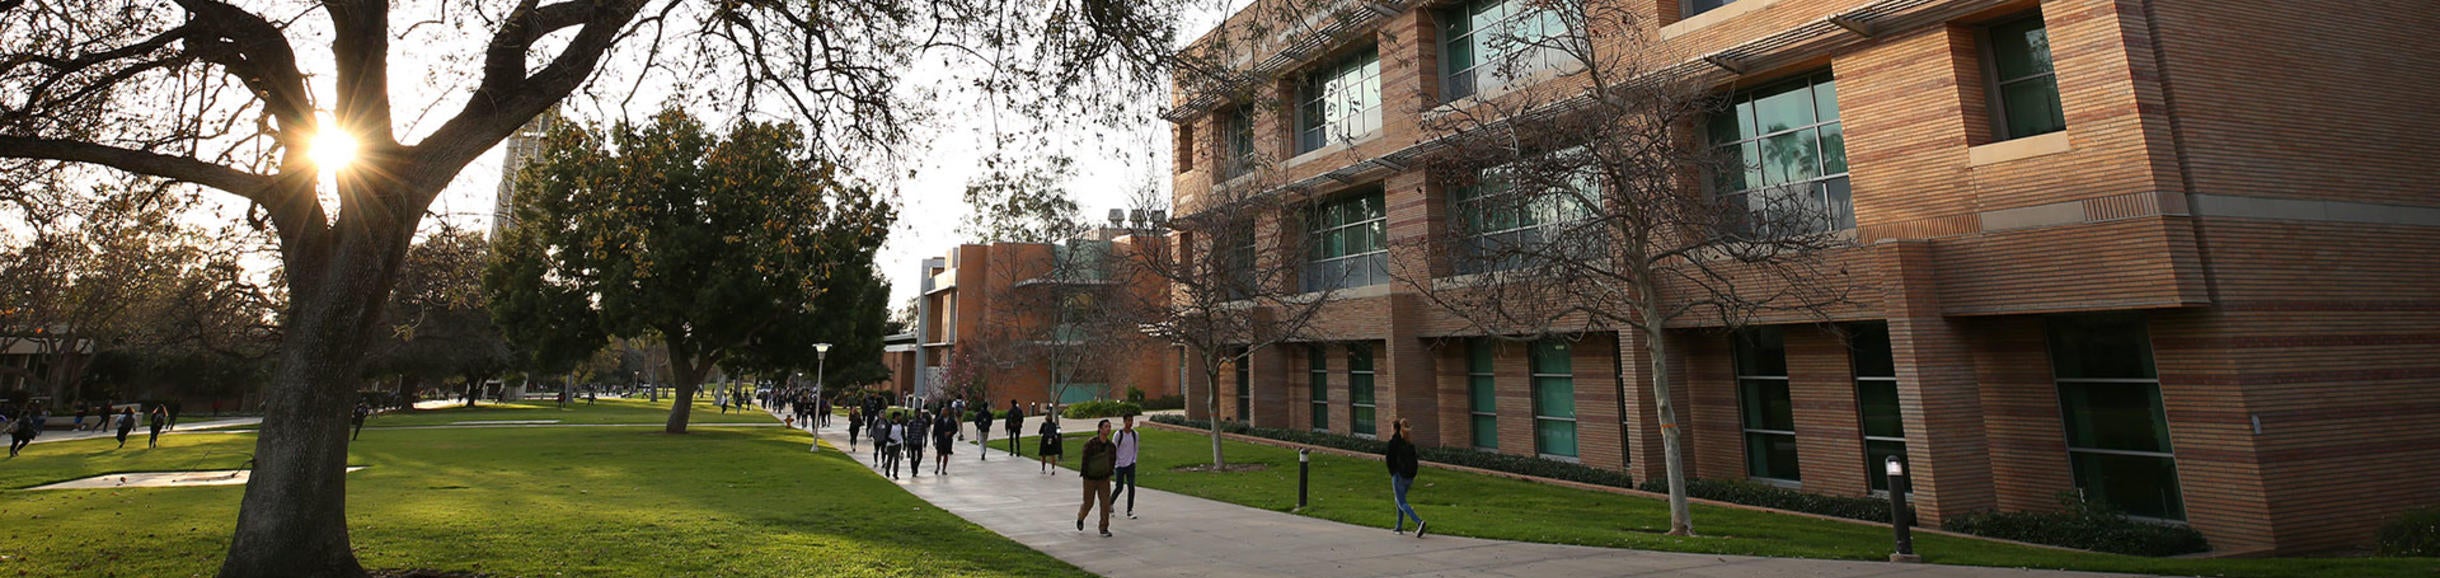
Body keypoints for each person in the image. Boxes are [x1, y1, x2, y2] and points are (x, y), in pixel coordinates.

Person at [1385, 417, 1426, 537]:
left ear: (1395, 429)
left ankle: (1419, 522)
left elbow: (1389, 460)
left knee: (1401, 501)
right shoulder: (1409, 445)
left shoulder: (1394, 443)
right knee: (1399, 500)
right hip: (1409, 476)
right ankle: (1398, 526)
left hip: (1399, 476)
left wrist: (1393, 473)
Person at [1077, 419, 1118, 537]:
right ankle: (1081, 517)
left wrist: (1109, 472)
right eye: (1106, 427)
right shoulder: (1091, 444)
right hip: (1090, 478)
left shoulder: (1111, 446)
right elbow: (1085, 460)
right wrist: (1085, 474)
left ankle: (1103, 527)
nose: (1108, 429)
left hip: (1104, 479)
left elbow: (1112, 461)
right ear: (1100, 429)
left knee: (1105, 503)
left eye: (1109, 427)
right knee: (1088, 503)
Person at [1114, 414, 1142, 519]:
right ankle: (1110, 503)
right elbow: (1114, 449)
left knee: (1131, 486)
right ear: (1124, 421)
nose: (1130, 423)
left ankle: (1129, 510)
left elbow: (1136, 449)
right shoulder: (1118, 434)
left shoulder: (1135, 434)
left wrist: (1133, 461)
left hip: (1130, 464)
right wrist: (1116, 463)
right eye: (1128, 421)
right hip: (1120, 465)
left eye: (1131, 420)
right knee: (1119, 487)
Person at [1037, 411, 1063, 476]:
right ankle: (1048, 469)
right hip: (1050, 440)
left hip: (1047, 440)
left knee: (1047, 455)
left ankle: (1048, 469)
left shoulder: (1047, 424)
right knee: (1049, 455)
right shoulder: (1051, 425)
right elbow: (1056, 433)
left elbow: (1040, 432)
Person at [905, 411, 929, 478]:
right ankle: (913, 470)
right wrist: (908, 443)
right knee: (913, 456)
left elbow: (925, 432)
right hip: (912, 441)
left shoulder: (923, 422)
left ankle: (915, 466)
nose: (918, 415)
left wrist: (925, 441)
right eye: (917, 413)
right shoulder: (911, 422)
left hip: (919, 441)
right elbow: (908, 433)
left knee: (920, 456)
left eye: (919, 413)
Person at [932, 410, 957, 475]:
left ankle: (944, 469)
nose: (943, 413)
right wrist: (934, 440)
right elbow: (935, 430)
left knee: (946, 454)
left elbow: (955, 429)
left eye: (945, 411)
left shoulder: (951, 420)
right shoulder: (938, 421)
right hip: (940, 439)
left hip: (948, 440)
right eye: (942, 412)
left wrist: (950, 433)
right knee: (938, 454)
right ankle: (937, 466)